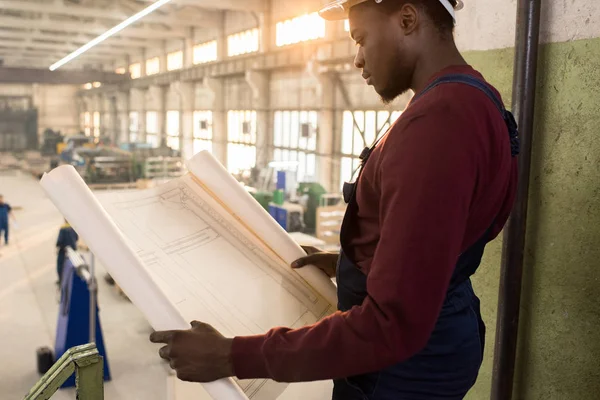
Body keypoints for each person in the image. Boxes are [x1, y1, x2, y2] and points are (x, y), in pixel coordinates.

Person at [149, 0, 520, 399]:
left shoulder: (437, 123)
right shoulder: (476, 98)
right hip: (442, 334)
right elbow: (445, 238)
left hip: (399, 373)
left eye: (361, 39)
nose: (358, 59)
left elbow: (391, 324)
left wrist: (232, 355)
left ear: (408, 19)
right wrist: (354, 264)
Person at [56, 219, 79, 285]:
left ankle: (61, 280)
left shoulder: (63, 228)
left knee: (60, 266)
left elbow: (60, 240)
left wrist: (57, 246)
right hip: (73, 250)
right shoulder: (74, 228)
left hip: (63, 250)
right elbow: (76, 238)